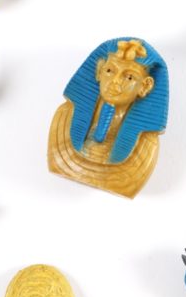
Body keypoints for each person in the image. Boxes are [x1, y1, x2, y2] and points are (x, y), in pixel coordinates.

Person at [48, 38, 169, 198]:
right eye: (110, 71)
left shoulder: (147, 142)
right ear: (99, 71)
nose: (115, 82)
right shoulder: (64, 116)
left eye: (129, 77)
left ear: (145, 86)